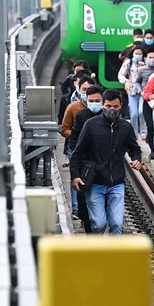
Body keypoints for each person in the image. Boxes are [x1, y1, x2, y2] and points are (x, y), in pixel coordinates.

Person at [70, 89, 142, 234]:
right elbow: (78, 152)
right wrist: (75, 175)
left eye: (115, 107)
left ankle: (114, 256)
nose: (112, 110)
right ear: (103, 105)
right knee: (98, 224)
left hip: (117, 183)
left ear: (121, 105)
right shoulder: (91, 125)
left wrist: (136, 159)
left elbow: (135, 148)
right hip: (95, 182)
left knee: (116, 224)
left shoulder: (125, 127)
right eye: (108, 106)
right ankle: (98, 253)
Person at [68, 85, 104, 233]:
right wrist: (77, 155)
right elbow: (74, 137)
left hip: (103, 164)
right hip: (86, 164)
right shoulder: (82, 116)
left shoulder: (109, 115)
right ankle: (86, 224)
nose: (94, 103)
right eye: (91, 100)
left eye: (97, 100)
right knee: (83, 196)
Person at [60, 76, 97, 219]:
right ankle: (76, 208)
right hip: (75, 147)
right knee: (76, 174)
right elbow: (64, 129)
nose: (86, 92)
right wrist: (80, 136)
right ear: (79, 90)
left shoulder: (101, 109)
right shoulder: (73, 108)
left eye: (89, 89)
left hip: (94, 148)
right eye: (84, 89)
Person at [136, 50, 154, 163]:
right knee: (150, 126)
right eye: (150, 57)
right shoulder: (142, 70)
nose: (152, 59)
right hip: (147, 101)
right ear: (146, 58)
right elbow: (137, 82)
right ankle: (153, 151)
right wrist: (141, 91)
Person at [118, 45, 146, 139]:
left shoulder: (146, 62)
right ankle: (134, 132)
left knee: (141, 111)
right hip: (132, 90)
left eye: (140, 54)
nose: (138, 55)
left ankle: (143, 130)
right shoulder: (128, 62)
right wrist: (126, 82)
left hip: (143, 90)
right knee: (133, 113)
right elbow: (121, 75)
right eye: (136, 53)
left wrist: (145, 65)